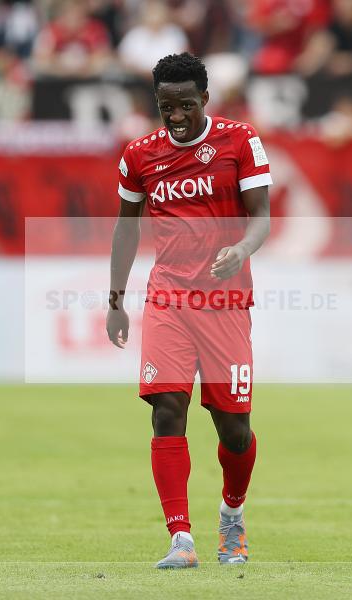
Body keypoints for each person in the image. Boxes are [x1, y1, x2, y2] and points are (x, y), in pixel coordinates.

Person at [106, 52, 271, 569]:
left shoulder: (239, 140)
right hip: (169, 299)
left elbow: (261, 217)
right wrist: (116, 301)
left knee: (234, 430)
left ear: (204, 99)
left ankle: (232, 515)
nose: (175, 116)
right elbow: (126, 228)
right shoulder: (139, 155)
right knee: (166, 411)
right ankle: (181, 540)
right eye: (165, 107)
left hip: (224, 301)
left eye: (184, 105)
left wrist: (241, 250)